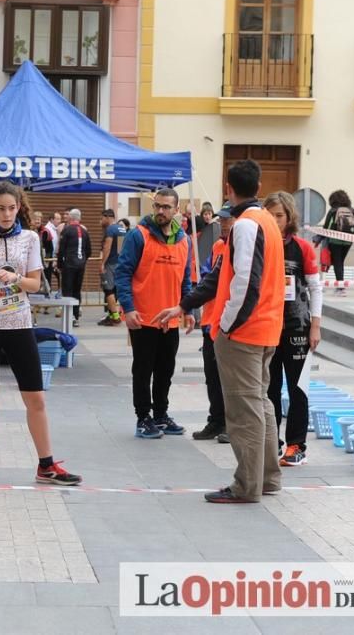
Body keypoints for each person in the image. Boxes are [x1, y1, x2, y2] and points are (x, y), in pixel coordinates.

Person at [158, 159, 285, 504]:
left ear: (228, 188)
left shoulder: (245, 225)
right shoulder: (267, 222)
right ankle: (268, 477)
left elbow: (245, 282)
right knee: (261, 404)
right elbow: (222, 275)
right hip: (266, 328)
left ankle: (247, 485)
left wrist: (225, 326)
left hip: (244, 332)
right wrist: (185, 305)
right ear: (258, 187)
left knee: (244, 412)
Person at [0, 182, 82, 486]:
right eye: (1, 208)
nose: (7, 214)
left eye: (11, 208)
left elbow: (36, 284)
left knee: (35, 397)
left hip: (20, 325)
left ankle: (46, 465)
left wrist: (15, 278)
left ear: (18, 207)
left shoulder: (30, 239)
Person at [115, 189, 192, 439]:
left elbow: (185, 279)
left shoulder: (184, 241)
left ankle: (161, 414)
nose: (161, 211)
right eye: (157, 206)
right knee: (143, 370)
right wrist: (128, 308)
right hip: (143, 318)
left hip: (170, 319)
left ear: (176, 210)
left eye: (166, 207)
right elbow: (123, 272)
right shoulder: (139, 235)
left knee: (165, 370)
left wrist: (187, 309)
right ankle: (143, 418)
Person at [262, 192, 322, 467]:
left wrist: (315, 327)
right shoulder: (259, 245)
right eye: (270, 214)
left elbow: (315, 288)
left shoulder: (302, 248)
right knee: (269, 388)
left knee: (299, 389)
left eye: (280, 215)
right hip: (267, 327)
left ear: (289, 218)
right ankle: (272, 443)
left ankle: (297, 445)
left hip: (298, 326)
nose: (275, 221)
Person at [192, 203, 234, 443]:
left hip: (229, 323)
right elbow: (208, 276)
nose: (224, 224)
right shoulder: (218, 246)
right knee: (212, 376)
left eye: (228, 220)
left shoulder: (242, 248)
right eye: (222, 220)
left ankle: (231, 424)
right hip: (210, 321)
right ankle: (216, 420)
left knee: (229, 379)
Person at [320, 190, 354, 296]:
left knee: (338, 263)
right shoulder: (352, 211)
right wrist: (352, 234)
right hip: (348, 241)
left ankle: (340, 288)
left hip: (335, 241)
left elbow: (326, 227)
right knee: (340, 263)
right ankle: (340, 287)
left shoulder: (333, 211)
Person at [58, 208, 91, 326]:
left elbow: (61, 250)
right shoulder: (85, 231)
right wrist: (83, 261)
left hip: (69, 265)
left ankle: (69, 315)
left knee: (67, 290)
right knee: (77, 290)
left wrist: (59, 264)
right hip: (80, 265)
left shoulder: (66, 231)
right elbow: (89, 250)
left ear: (71, 218)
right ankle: (76, 316)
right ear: (79, 218)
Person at [98, 209, 126, 326]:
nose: (101, 220)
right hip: (120, 263)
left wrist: (102, 263)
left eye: (102, 218)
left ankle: (115, 317)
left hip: (110, 264)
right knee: (115, 290)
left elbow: (107, 247)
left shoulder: (110, 229)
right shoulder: (121, 228)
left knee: (108, 289)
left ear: (108, 217)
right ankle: (111, 315)